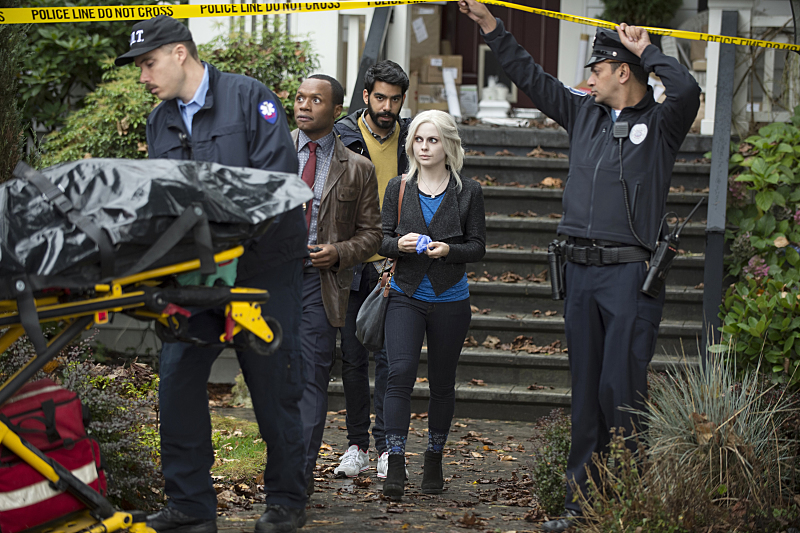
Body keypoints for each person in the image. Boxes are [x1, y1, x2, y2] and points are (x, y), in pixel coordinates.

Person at [458, 1, 701, 530]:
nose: (586, 77)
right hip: (581, 273)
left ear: (621, 71)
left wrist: (648, 50)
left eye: (596, 69)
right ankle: (580, 505)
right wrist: (492, 29)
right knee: (587, 394)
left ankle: (629, 503)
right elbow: (531, 77)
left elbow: (687, 90)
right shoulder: (583, 111)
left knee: (621, 391)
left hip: (630, 276)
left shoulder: (661, 124)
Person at [115, 15, 310, 533]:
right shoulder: (161, 121)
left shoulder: (251, 99)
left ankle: (286, 501)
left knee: (273, 385)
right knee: (177, 383)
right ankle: (190, 507)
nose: (143, 77)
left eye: (148, 63)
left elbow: (274, 184)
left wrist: (209, 230)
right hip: (196, 276)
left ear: (180, 53)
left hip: (262, 268)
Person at [377, 110, 486, 500]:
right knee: (399, 373)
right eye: (419, 140)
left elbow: (477, 247)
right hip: (406, 294)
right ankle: (395, 460)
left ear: (448, 145)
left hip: (451, 299)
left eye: (433, 140)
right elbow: (381, 239)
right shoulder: (398, 187)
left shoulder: (468, 190)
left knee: (441, 383)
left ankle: (434, 457)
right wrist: (399, 245)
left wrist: (448, 250)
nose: (425, 147)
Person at [291, 75, 382, 489]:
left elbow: (372, 235)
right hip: (270, 280)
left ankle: (298, 477)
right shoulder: (271, 154)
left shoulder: (357, 168)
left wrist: (339, 253)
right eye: (300, 97)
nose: (304, 105)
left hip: (319, 282)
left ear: (335, 110)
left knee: (312, 376)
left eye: (316, 99)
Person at [331, 60, 412, 479]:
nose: (387, 106)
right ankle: (356, 445)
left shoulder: (411, 138)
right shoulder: (343, 135)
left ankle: (386, 448)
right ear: (366, 96)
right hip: (349, 261)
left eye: (395, 99)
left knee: (390, 359)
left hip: (393, 261)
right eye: (380, 97)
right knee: (352, 358)